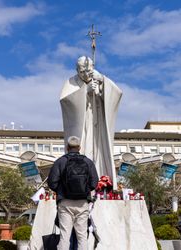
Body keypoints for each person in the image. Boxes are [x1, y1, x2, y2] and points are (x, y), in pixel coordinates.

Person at [60, 56, 122, 187]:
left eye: (87, 71)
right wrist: (85, 92)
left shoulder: (99, 78)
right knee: (84, 148)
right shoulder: (71, 82)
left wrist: (102, 81)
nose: (84, 74)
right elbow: (65, 101)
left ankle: (102, 179)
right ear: (77, 70)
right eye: (81, 71)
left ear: (92, 68)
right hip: (82, 126)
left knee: (99, 150)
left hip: (98, 124)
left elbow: (117, 93)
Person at [48, 136, 99, 250]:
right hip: (82, 203)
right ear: (79, 147)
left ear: (67, 147)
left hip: (65, 202)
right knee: (82, 237)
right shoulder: (87, 161)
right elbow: (94, 182)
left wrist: (62, 190)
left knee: (64, 236)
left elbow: (52, 182)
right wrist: (84, 190)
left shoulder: (60, 161)